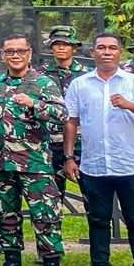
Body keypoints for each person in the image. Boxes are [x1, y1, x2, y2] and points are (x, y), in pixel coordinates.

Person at [64, 32, 134, 266]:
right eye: (101, 48)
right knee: (98, 220)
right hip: (94, 165)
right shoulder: (80, 84)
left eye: (112, 48)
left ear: (120, 52)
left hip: (129, 164)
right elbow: (71, 121)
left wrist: (130, 105)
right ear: (93, 52)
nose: (106, 52)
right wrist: (69, 156)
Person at [0, 33, 67, 266]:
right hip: (3, 163)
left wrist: (35, 104)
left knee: (45, 216)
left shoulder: (43, 83)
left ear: (29, 53)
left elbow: (62, 114)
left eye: (20, 51)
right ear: (2, 55)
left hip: (35, 164)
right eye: (10, 51)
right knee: (6, 214)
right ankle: (12, 262)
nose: (15, 55)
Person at [40, 26, 90, 198]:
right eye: (57, 44)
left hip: (82, 143)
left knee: (93, 196)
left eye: (66, 44)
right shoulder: (39, 75)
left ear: (74, 48)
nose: (61, 47)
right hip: (50, 143)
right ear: (51, 47)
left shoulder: (87, 75)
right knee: (51, 198)